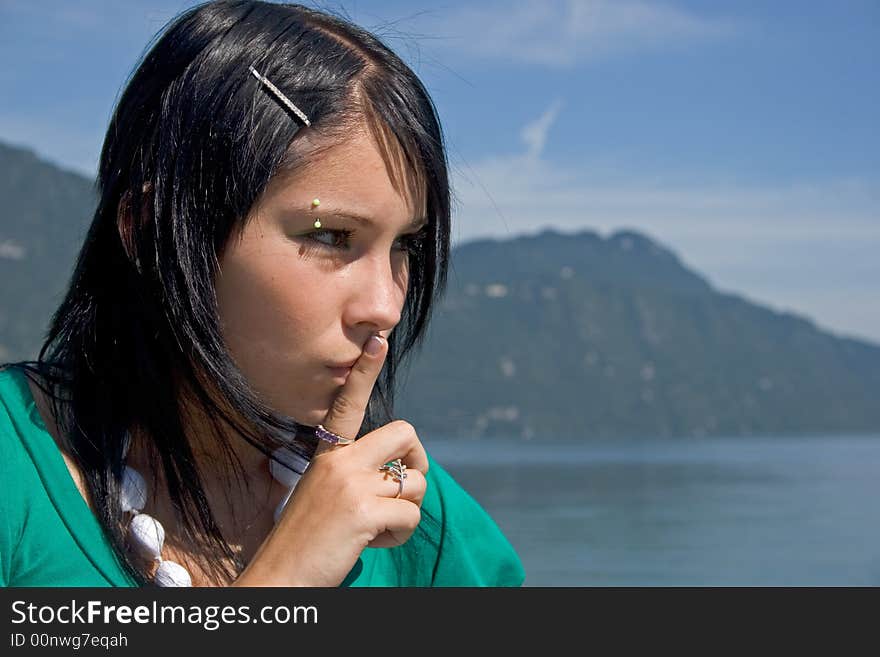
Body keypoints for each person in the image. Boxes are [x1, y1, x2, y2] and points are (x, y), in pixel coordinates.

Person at [0, 0, 525, 587]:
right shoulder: (16, 467)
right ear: (151, 230)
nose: (385, 306)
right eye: (330, 236)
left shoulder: (412, 524)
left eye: (404, 246)